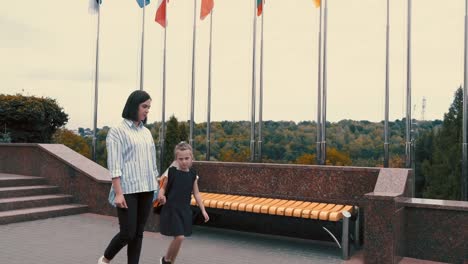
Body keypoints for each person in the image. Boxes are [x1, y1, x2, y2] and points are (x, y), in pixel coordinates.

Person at [98, 90, 159, 264]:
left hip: (147, 188)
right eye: (144, 106)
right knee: (128, 233)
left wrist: (158, 187)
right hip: (127, 189)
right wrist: (118, 193)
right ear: (134, 106)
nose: (147, 110)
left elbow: (152, 163)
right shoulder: (117, 132)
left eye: (149, 107)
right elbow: (115, 165)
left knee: (138, 233)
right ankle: (105, 259)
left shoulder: (146, 132)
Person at [157, 142, 209, 264]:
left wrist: (203, 210)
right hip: (172, 209)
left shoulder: (192, 175)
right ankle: (165, 260)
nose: (184, 161)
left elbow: (196, 194)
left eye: (187, 158)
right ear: (176, 159)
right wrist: (161, 195)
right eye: (181, 159)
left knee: (179, 239)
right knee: (180, 237)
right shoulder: (172, 172)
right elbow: (163, 188)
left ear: (192, 158)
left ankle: (169, 261)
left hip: (184, 210)